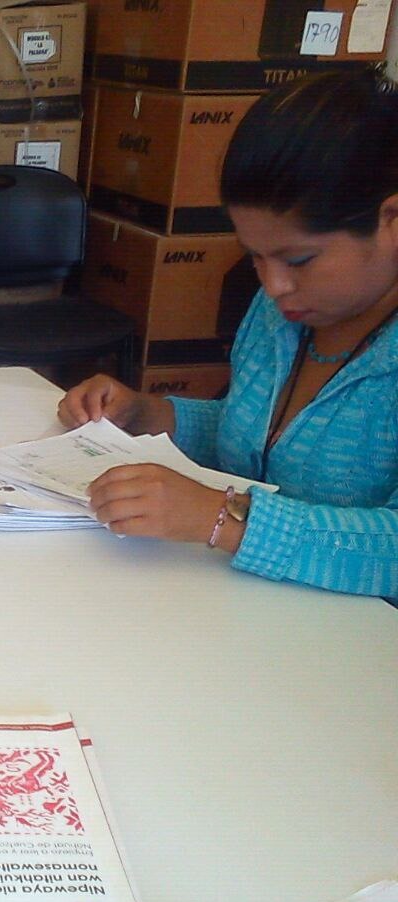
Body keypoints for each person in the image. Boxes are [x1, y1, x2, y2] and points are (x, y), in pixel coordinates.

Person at [58, 68, 398, 598]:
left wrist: (224, 519)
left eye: (299, 259)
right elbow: (263, 440)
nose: (273, 285)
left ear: (391, 219)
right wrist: (150, 416)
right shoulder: (284, 312)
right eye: (255, 256)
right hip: (239, 604)